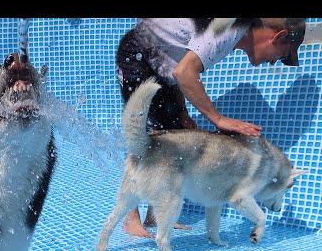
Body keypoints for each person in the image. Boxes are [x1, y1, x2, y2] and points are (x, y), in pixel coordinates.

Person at [115, 17, 307, 238]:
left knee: (175, 132)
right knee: (148, 136)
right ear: (279, 36)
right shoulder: (230, 29)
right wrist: (218, 119)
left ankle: (154, 216)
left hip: (159, 60)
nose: (274, 63)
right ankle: (131, 219)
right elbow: (184, 72)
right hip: (138, 54)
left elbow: (177, 63)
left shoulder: (234, 33)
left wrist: (182, 112)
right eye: (281, 56)